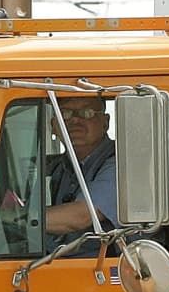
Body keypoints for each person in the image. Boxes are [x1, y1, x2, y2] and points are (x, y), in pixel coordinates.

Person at [45, 95, 116, 239]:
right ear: (53, 125)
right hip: (58, 258)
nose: (75, 120)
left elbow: (81, 216)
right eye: (65, 113)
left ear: (105, 123)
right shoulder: (57, 167)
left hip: (113, 260)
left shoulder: (121, 164)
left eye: (87, 112)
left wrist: (18, 219)